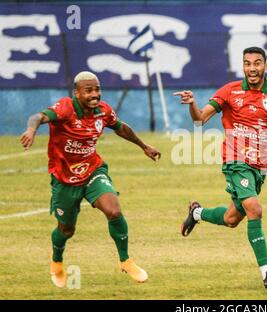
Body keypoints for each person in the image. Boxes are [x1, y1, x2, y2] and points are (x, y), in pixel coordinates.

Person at [20, 71, 161, 288]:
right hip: (65, 179)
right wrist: (31, 129)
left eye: (97, 89)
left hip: (92, 171)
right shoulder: (65, 108)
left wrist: (144, 146)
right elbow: (38, 117)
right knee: (67, 230)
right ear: (77, 93)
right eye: (89, 90)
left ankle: (126, 260)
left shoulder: (103, 112)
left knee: (114, 210)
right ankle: (57, 261)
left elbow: (121, 127)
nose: (95, 94)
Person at [174, 47, 267, 291]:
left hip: (259, 167)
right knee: (254, 208)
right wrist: (192, 104)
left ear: (266, 66)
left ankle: (196, 213)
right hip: (235, 161)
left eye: (257, 63)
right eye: (247, 63)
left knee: (232, 219)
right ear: (243, 66)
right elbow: (199, 120)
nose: (252, 68)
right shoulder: (230, 91)